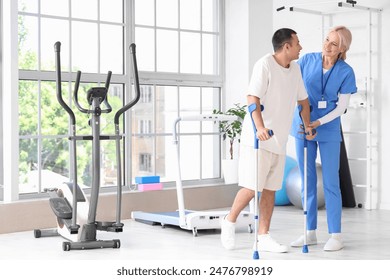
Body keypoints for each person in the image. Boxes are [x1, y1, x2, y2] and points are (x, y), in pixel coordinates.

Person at [220, 28, 314, 252]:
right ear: (286, 46)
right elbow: (252, 98)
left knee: (271, 189)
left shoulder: (296, 69)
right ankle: (229, 221)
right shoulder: (264, 65)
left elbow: (304, 101)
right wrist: (259, 127)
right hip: (258, 138)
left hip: (279, 139)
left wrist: (307, 125)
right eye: (297, 43)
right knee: (253, 186)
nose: (301, 47)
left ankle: (264, 236)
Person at [290, 26, 357, 251]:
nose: (327, 46)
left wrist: (318, 122)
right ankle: (309, 233)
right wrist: (305, 122)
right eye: (326, 40)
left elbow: (342, 107)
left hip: (327, 129)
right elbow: (292, 90)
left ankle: (335, 235)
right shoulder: (306, 61)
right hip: (302, 126)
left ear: (343, 49)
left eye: (334, 44)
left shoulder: (346, 71)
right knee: (307, 182)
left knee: (330, 182)